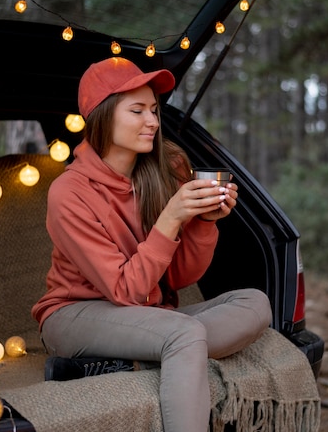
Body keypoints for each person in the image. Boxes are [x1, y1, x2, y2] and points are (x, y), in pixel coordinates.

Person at [32, 57, 272, 432]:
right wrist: (171, 218)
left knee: (255, 303)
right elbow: (124, 290)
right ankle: (170, 348)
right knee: (183, 333)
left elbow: (178, 276)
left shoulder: (166, 167)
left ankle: (134, 362)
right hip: (75, 314)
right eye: (138, 110)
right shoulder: (70, 192)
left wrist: (204, 223)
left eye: (155, 110)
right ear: (103, 115)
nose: (154, 122)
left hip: (150, 312)